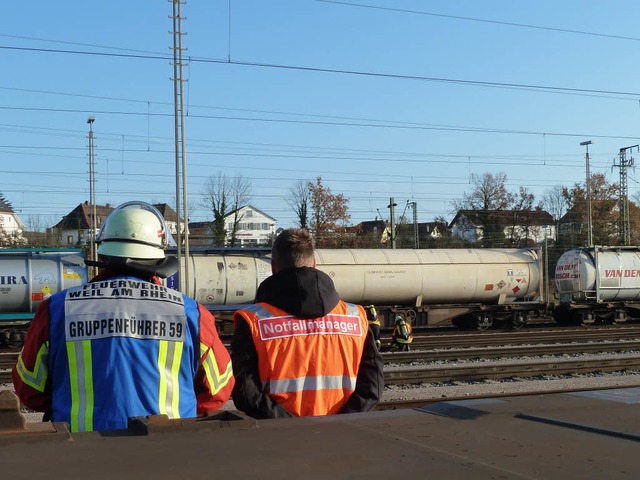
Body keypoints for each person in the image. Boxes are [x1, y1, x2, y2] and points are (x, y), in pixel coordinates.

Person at [12, 201, 234, 432]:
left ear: (104, 253)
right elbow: (218, 390)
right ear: (158, 258)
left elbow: (29, 389)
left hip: (79, 454)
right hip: (169, 452)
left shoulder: (57, 309)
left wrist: (67, 401)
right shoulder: (190, 313)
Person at [231, 228, 384, 419]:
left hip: (280, 438)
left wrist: (290, 425)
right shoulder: (355, 316)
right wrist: (343, 420)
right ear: (314, 264)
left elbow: (245, 391)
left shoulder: (253, 320)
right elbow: (372, 386)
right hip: (343, 435)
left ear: (273, 267)